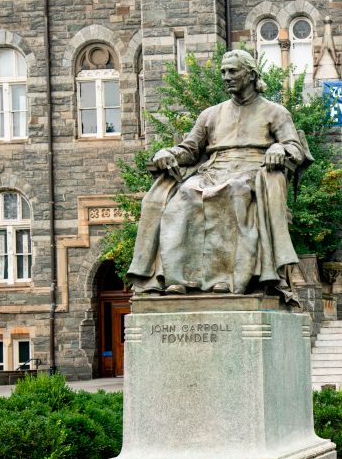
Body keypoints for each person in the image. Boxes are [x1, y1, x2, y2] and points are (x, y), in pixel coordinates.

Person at [126, 49, 310, 304]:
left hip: (252, 169)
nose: (226, 76)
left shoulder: (275, 112)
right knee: (185, 194)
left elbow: (295, 149)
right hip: (212, 170)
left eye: (233, 71)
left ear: (251, 74)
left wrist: (280, 148)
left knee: (233, 190)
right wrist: (167, 152)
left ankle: (230, 278)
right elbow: (190, 150)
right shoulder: (210, 114)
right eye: (223, 71)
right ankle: (179, 278)